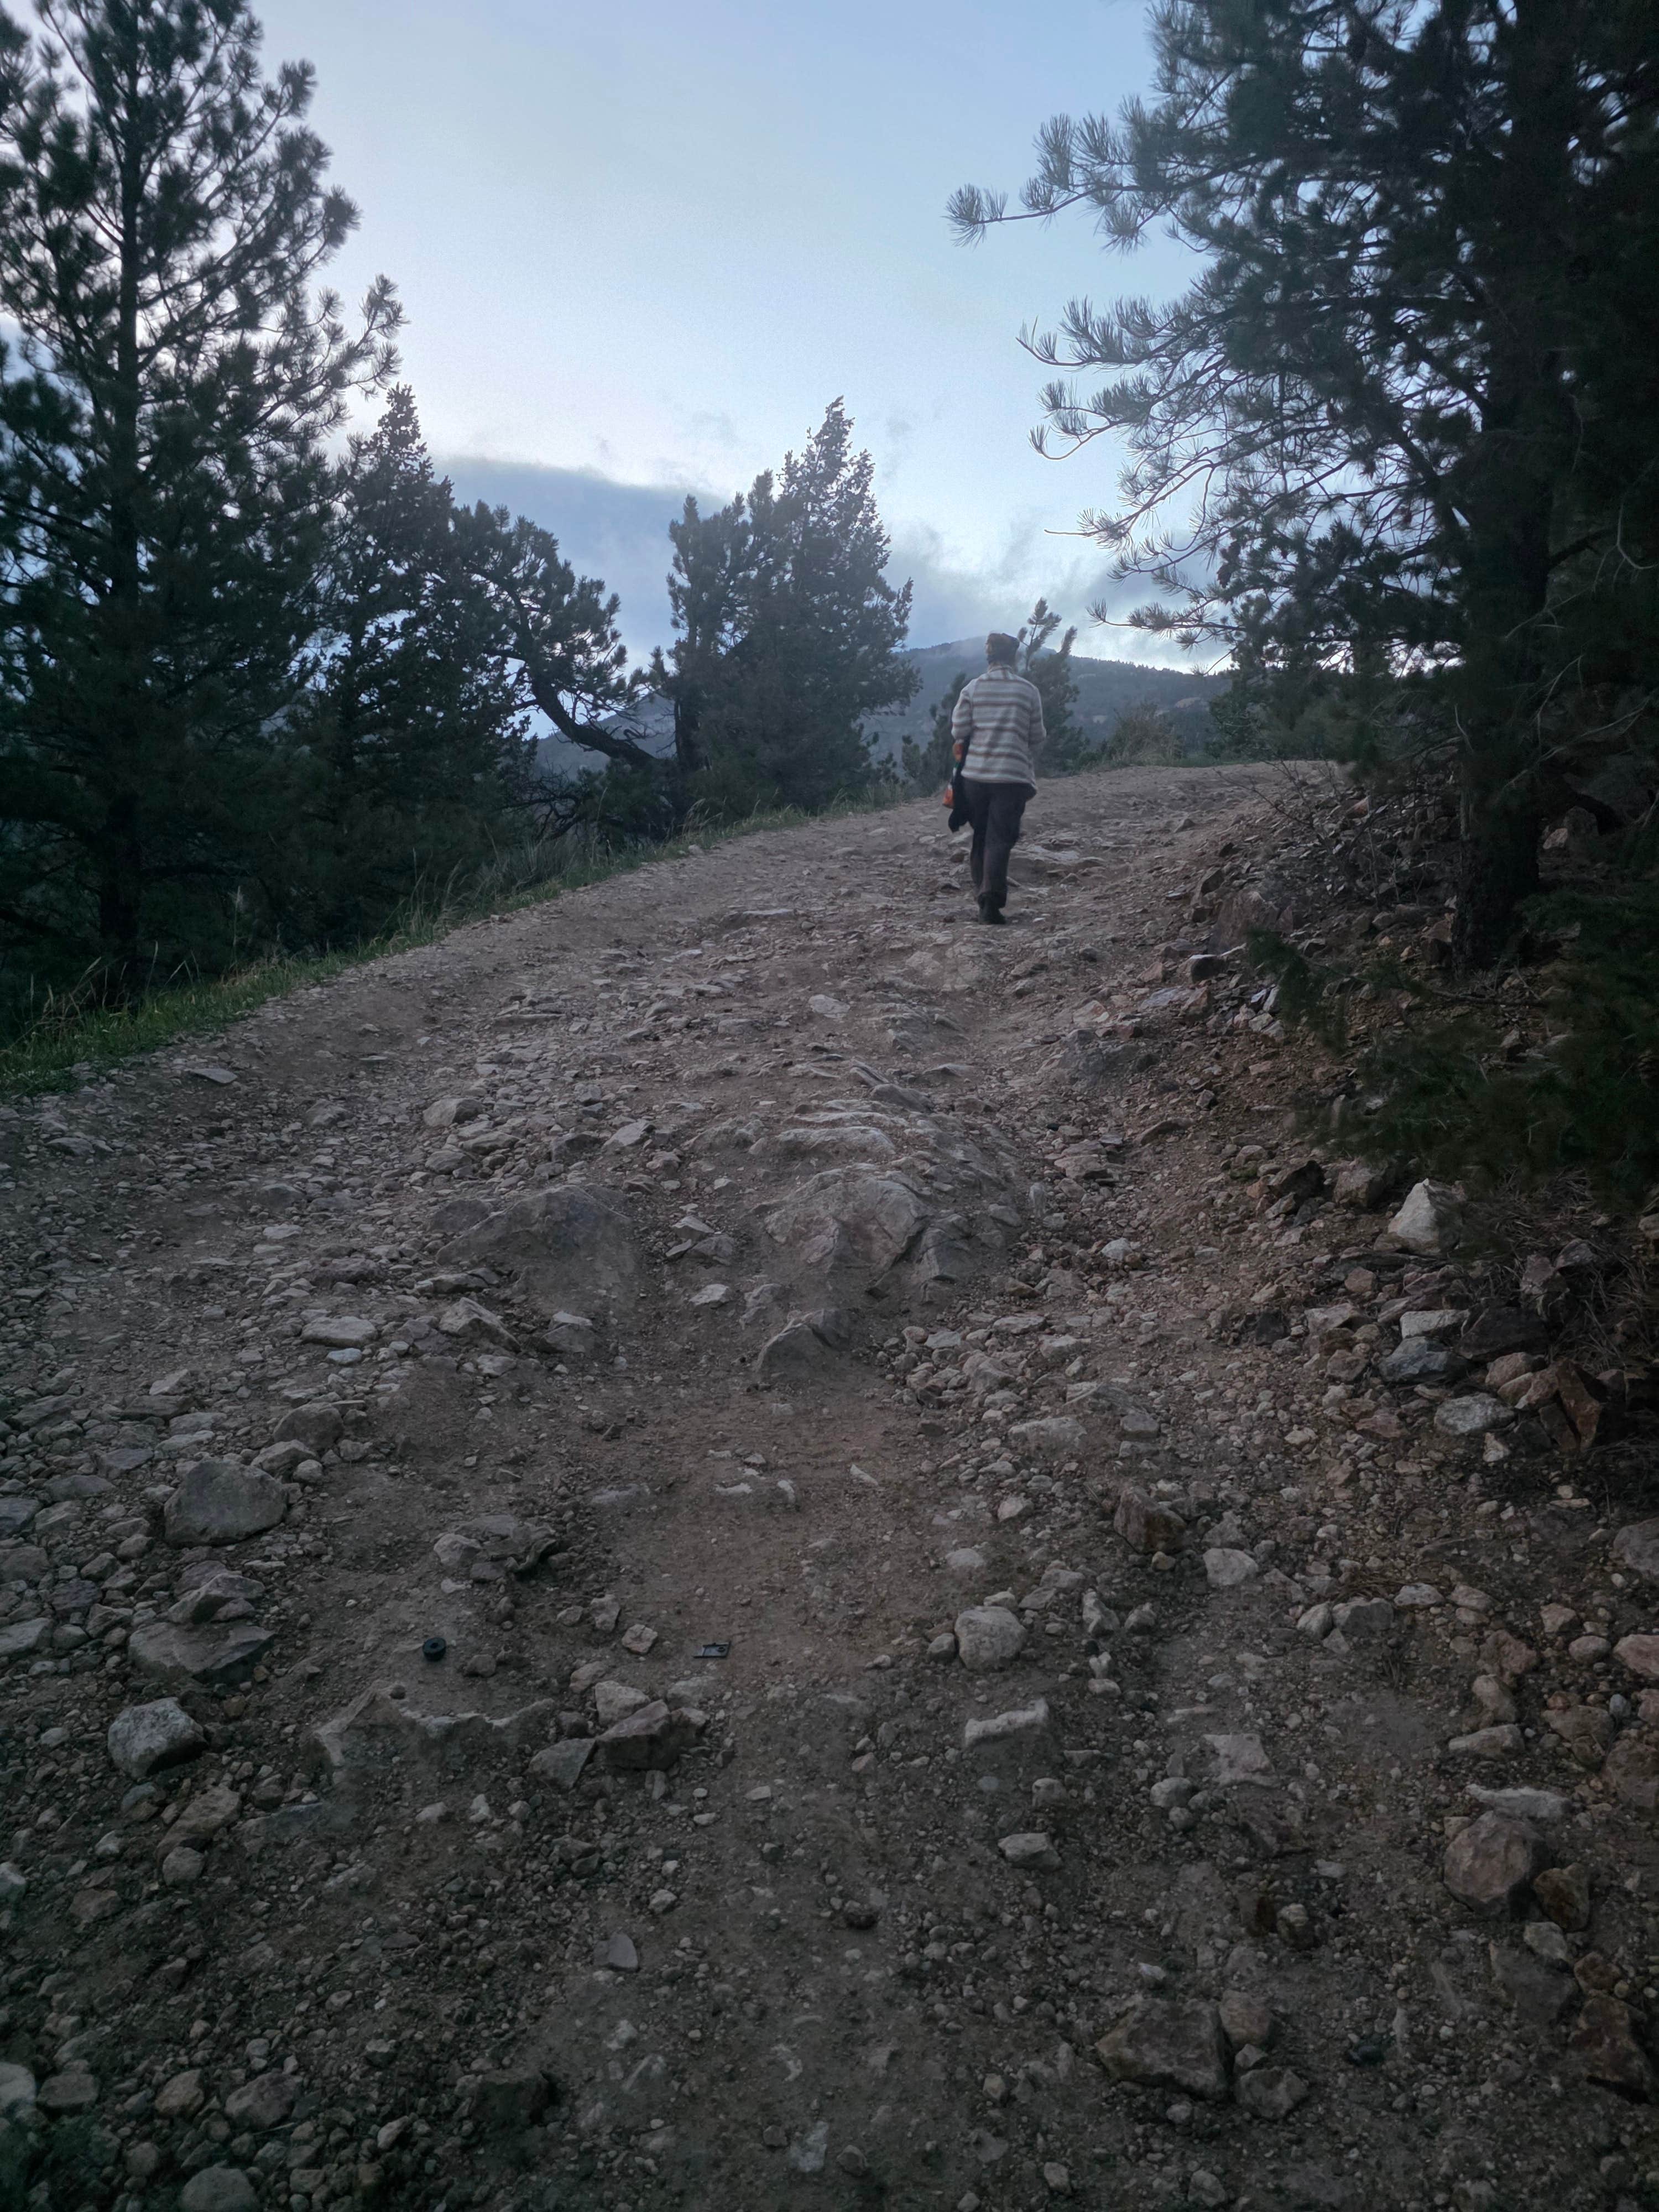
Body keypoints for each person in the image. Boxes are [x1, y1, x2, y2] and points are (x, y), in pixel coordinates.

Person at [948, 630, 1045, 923]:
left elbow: (958, 732)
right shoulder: (1029, 691)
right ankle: (991, 900)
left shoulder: (972, 689)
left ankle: (983, 896)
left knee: (981, 835)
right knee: (1000, 837)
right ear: (1013, 657)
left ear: (989, 657)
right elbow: (1037, 737)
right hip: (1013, 778)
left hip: (975, 777)